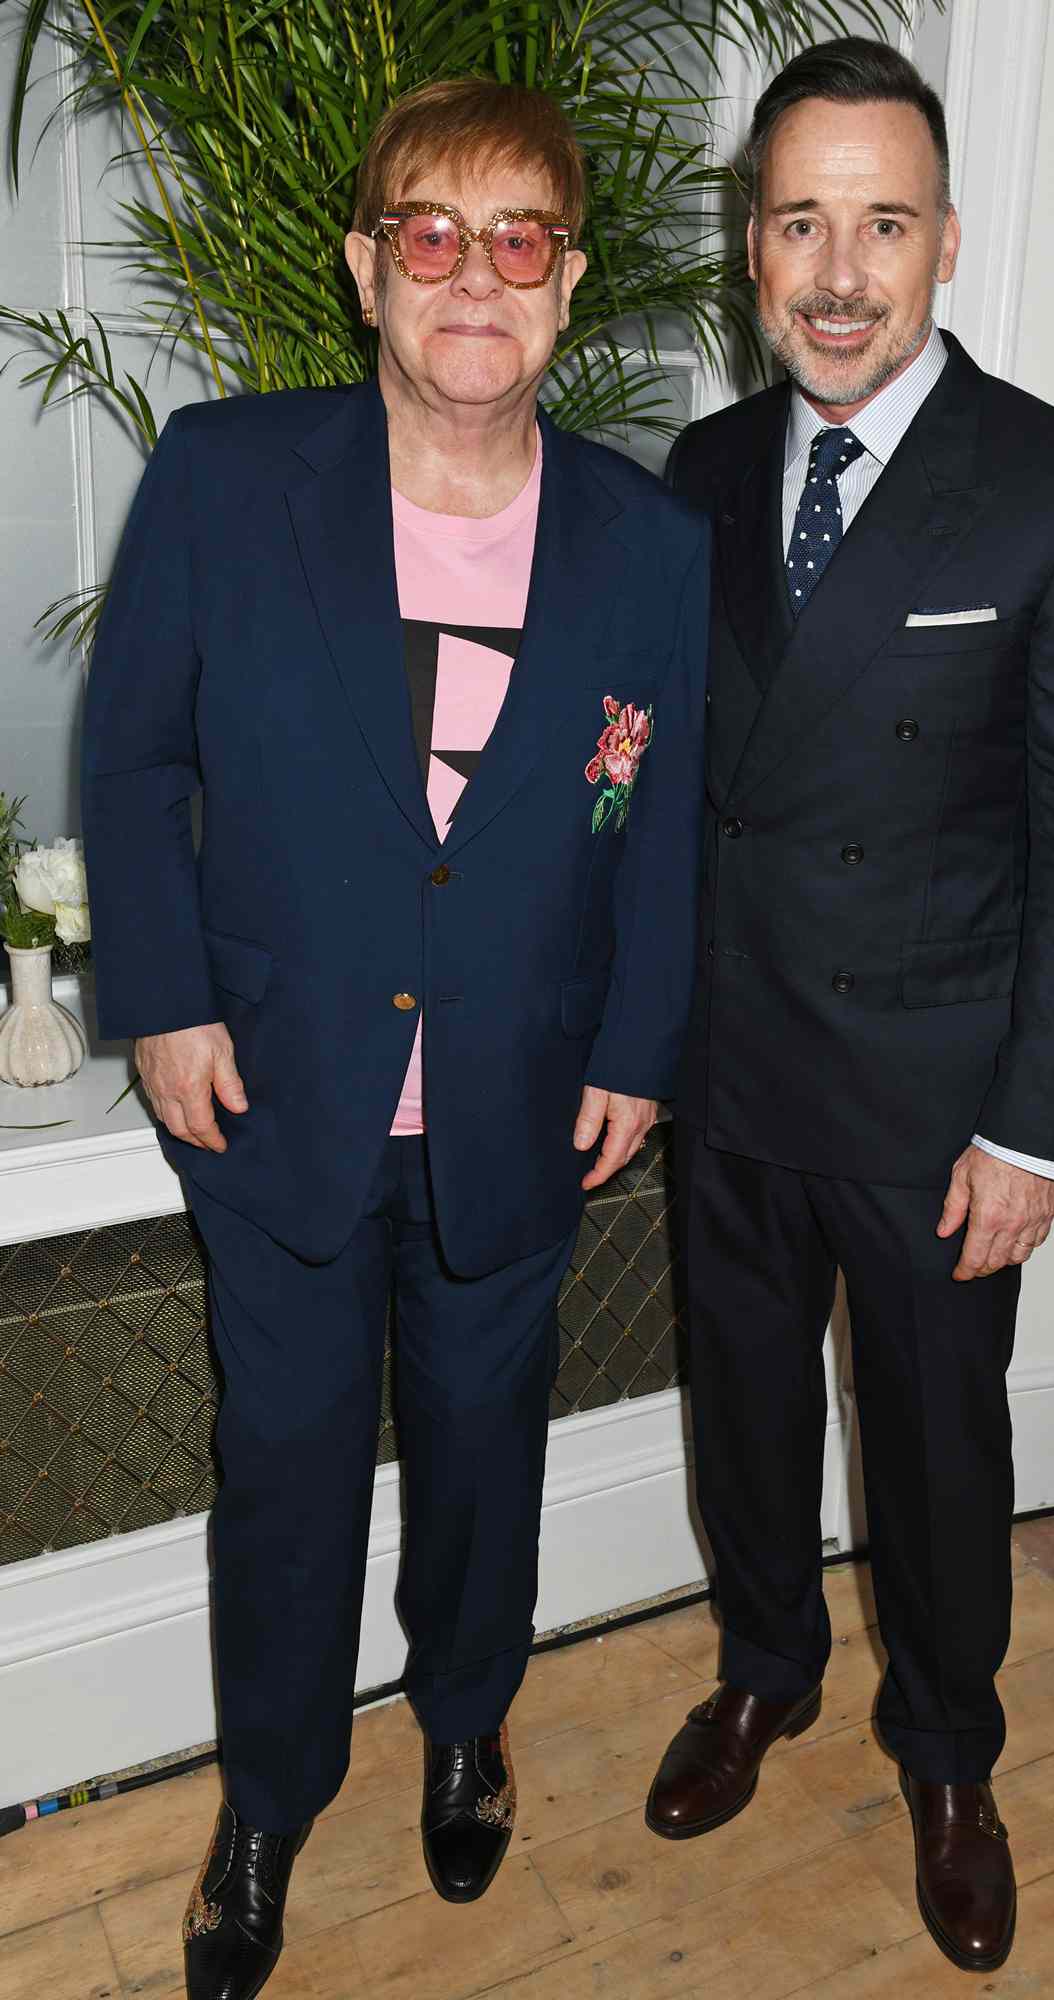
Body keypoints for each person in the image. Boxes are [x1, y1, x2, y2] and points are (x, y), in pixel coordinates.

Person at [81, 77, 708, 2000]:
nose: (471, 277)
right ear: (368, 269)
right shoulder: (219, 473)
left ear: (567, 282)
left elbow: (659, 818)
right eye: (428, 234)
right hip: (277, 1097)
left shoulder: (643, 541)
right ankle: (266, 1802)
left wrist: (636, 1040)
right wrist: (167, 1003)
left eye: (517, 241)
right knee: (280, 1466)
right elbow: (134, 756)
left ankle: (465, 1727)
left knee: (479, 1453)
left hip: (519, 1107)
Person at [645, 37, 1054, 1975]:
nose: (838, 271)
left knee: (940, 1451)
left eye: (880, 223)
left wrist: (1036, 1125)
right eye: (801, 221)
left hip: (944, 1105)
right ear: (752, 244)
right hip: (735, 1070)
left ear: (944, 242)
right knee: (749, 1417)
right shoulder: (696, 478)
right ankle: (767, 1668)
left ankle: (951, 1756)